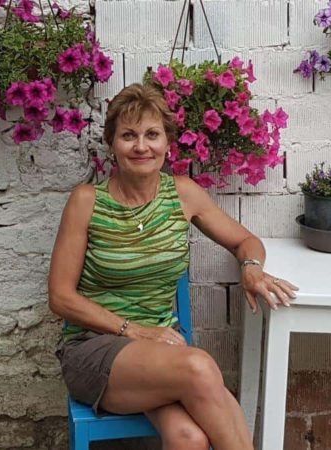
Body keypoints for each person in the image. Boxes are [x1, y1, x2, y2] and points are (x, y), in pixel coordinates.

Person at [48, 83, 298, 450]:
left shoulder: (182, 194)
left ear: (167, 143)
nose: (141, 146)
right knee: (197, 367)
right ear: (112, 144)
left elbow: (245, 241)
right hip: (93, 350)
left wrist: (250, 267)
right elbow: (60, 297)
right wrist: (134, 330)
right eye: (128, 136)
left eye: (152, 135)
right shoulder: (86, 202)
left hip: (161, 353)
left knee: (189, 438)